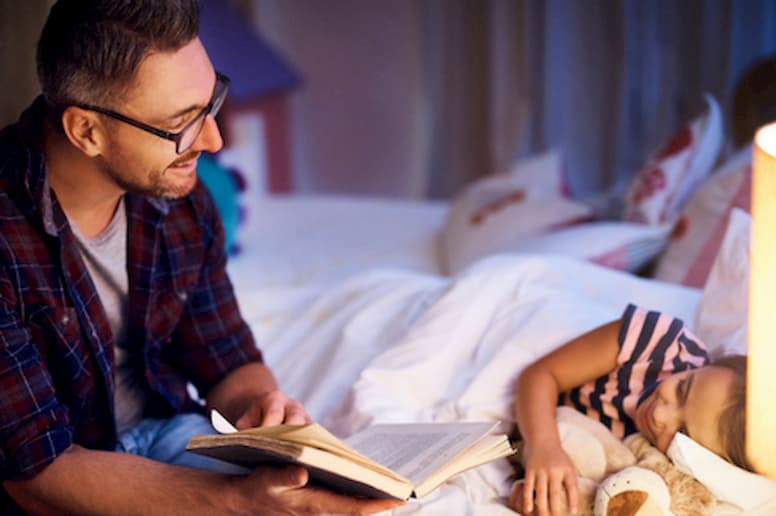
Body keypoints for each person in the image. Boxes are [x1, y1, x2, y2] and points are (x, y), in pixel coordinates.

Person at [0, 1, 401, 514]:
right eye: (182, 125)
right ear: (87, 132)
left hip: (168, 436)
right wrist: (237, 501)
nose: (213, 140)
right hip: (65, 476)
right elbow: (35, 474)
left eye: (211, 102)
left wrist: (262, 411)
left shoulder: (182, 203)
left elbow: (227, 362)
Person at [509, 303, 751, 516]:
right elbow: (540, 375)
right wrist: (544, 444)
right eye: (681, 389)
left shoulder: (664, 474)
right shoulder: (659, 344)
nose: (659, 415)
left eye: (683, 432)